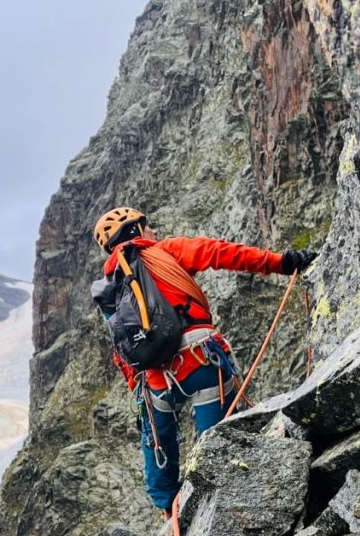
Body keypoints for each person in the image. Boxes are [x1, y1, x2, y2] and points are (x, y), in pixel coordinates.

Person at [90, 206, 316, 518]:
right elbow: (221, 253)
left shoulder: (110, 289)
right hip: (201, 360)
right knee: (219, 448)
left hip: (156, 382)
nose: (153, 231)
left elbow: (123, 349)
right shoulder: (166, 252)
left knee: (157, 443)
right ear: (137, 231)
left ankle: (170, 512)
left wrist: (137, 388)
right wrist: (281, 262)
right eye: (148, 226)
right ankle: (233, 505)